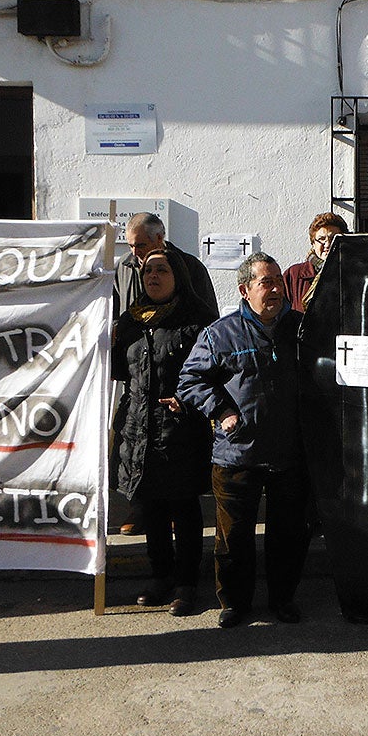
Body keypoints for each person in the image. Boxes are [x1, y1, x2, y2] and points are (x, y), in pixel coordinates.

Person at [177, 253, 311, 629]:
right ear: (244, 290)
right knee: (233, 537)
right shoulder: (220, 334)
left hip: (289, 452)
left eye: (278, 281)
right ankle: (235, 603)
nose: (275, 289)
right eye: (266, 282)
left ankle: (283, 599)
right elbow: (190, 380)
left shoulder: (302, 329)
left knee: (288, 534)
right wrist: (221, 410)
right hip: (237, 453)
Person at [111, 248, 217, 616]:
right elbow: (119, 372)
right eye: (148, 271)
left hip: (181, 428)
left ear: (178, 277)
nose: (153, 276)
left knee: (184, 508)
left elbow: (213, 372)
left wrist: (187, 401)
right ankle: (161, 575)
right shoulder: (131, 321)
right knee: (151, 506)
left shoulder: (198, 320)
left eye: (161, 270)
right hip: (139, 429)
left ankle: (187, 582)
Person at [115, 212, 217, 318]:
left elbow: (209, 315)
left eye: (141, 245)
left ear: (159, 238)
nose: (135, 252)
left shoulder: (190, 266)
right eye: (131, 246)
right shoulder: (123, 265)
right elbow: (113, 311)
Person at [283, 212, 349, 313]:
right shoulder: (294, 275)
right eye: (322, 239)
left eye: (333, 239)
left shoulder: (352, 273)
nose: (328, 244)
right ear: (313, 244)